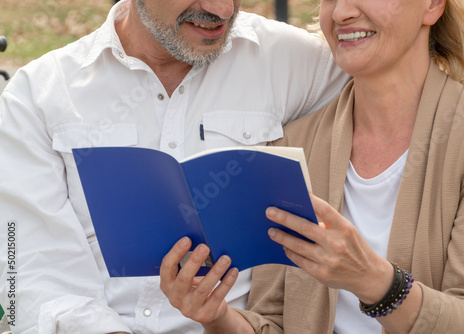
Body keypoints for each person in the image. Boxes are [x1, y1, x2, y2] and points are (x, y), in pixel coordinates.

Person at [0, 0, 351, 332]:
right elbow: (29, 271)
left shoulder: (290, 61)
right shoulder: (38, 95)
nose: (222, 10)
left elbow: (387, 77)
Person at [159, 0, 464, 332]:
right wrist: (218, 318)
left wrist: (373, 280)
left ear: (433, 6)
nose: (341, 12)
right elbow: (274, 321)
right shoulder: (292, 145)